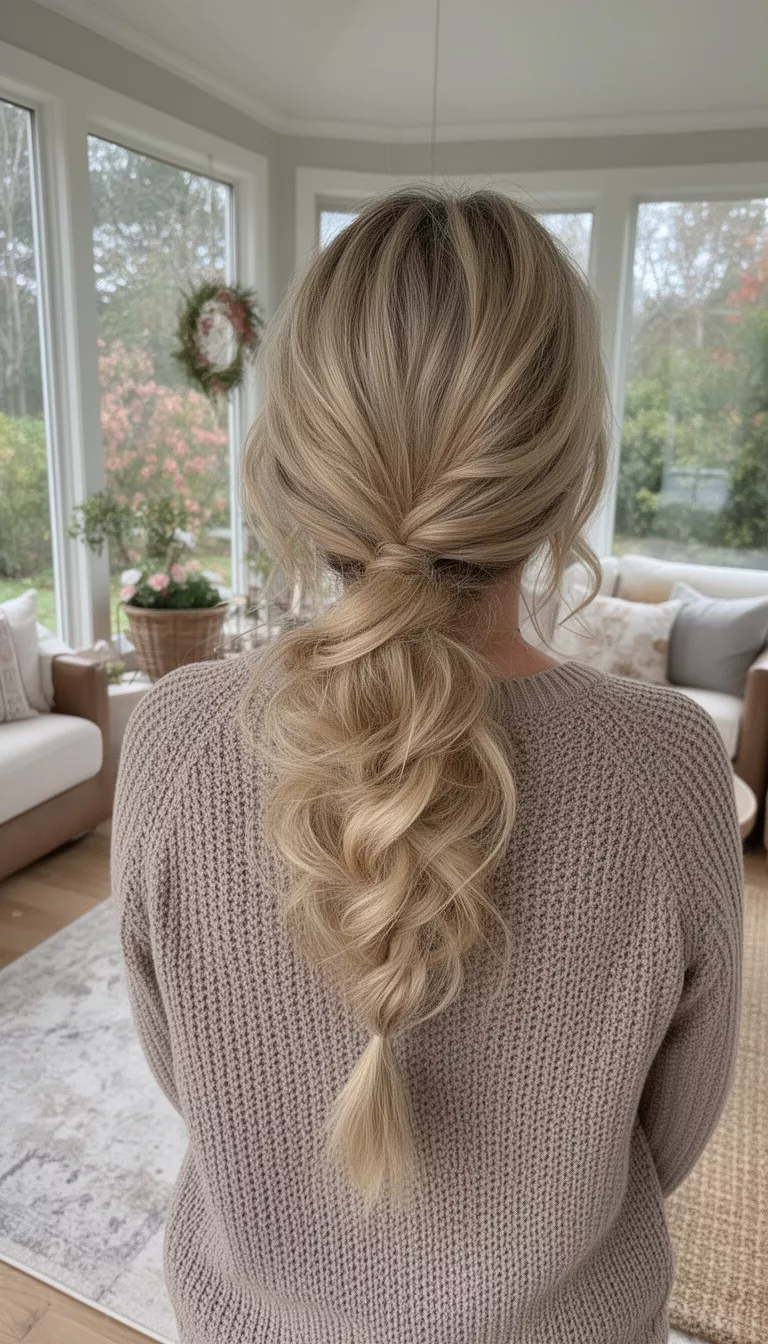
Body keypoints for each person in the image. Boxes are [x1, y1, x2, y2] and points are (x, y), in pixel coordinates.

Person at [112, 185, 744, 1344]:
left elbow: (185, 1073)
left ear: (300, 455)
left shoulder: (176, 741)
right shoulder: (671, 771)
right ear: (568, 467)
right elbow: (676, 1131)